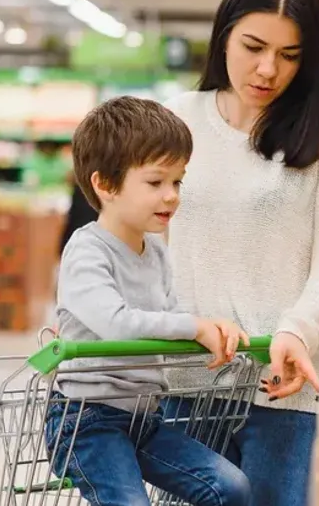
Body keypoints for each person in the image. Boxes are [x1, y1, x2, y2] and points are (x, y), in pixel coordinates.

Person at [161, 0, 319, 505]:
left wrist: (298, 331)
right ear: (224, 33)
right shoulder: (175, 119)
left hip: (286, 389)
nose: (268, 69)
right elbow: (144, 243)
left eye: (290, 55)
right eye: (254, 46)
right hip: (188, 381)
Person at [45, 96, 252, 506]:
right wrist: (194, 327)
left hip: (143, 417)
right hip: (86, 420)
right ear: (105, 185)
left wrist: (213, 332)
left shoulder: (155, 251)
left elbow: (170, 314)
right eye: (156, 183)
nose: (172, 195)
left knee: (231, 488)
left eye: (178, 181)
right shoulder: (87, 251)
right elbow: (117, 323)